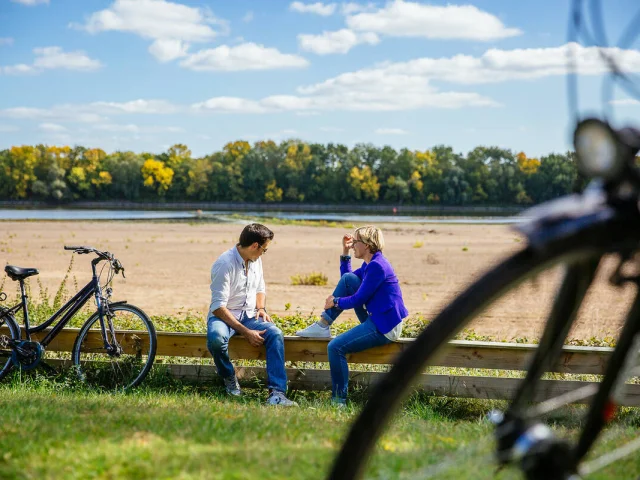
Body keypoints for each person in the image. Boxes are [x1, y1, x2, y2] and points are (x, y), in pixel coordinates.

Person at [295, 225, 408, 405]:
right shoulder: (370, 264)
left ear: (368, 245)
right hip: (377, 317)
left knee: (335, 347)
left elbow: (357, 299)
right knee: (349, 280)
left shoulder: (378, 266)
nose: (353, 244)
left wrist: (335, 302)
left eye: (355, 242)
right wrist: (345, 251)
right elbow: (346, 282)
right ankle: (323, 325)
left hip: (385, 326)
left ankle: (339, 400)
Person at [207, 223, 297, 407]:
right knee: (216, 339)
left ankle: (277, 394)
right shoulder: (224, 263)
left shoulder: (256, 260)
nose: (264, 253)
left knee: (275, 334)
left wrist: (261, 309)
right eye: (264, 250)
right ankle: (229, 377)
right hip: (223, 316)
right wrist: (247, 332)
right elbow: (217, 307)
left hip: (249, 315)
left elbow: (260, 287)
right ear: (255, 246)